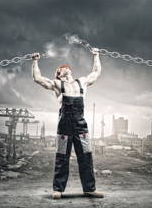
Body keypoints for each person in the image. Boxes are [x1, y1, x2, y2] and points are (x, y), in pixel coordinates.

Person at [31, 48, 104, 199]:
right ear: (58, 74)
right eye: (59, 69)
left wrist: (96, 55)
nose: (63, 69)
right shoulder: (57, 85)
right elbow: (37, 79)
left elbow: (96, 73)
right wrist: (35, 61)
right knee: (62, 157)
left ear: (69, 71)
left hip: (80, 125)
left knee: (86, 156)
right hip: (64, 126)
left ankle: (90, 189)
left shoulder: (82, 82)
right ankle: (58, 189)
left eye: (65, 67)